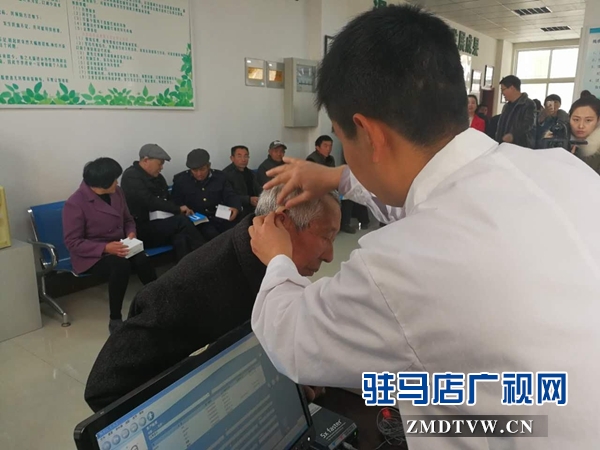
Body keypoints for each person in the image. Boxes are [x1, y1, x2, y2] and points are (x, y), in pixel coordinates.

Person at [248, 5, 600, 449]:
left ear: (368, 133)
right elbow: (433, 211)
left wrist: (278, 257)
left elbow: (292, 338)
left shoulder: (397, 266)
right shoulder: (561, 170)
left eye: (340, 137)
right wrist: (338, 177)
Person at [84, 186, 341, 412]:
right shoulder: (191, 289)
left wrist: (290, 373)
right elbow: (104, 390)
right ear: (282, 222)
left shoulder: (271, 269)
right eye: (326, 237)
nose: (330, 255)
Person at [63, 158, 157, 333]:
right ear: (102, 183)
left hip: (120, 246)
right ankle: (115, 318)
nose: (117, 183)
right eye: (114, 180)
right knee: (120, 266)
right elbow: (73, 243)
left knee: (141, 259)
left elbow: (128, 219)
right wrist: (105, 248)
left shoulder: (117, 192)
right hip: (91, 255)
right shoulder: (75, 204)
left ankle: (159, 298)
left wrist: (131, 234)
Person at [121, 144, 204, 262]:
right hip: (142, 227)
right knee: (181, 221)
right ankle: (208, 257)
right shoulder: (131, 176)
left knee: (181, 238)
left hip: (161, 223)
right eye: (160, 164)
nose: (161, 167)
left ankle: (186, 270)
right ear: (146, 160)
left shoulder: (158, 177)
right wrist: (177, 209)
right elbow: (149, 201)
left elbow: (168, 198)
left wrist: (179, 209)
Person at [172, 149, 242, 242]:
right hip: (197, 220)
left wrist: (235, 207)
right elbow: (176, 201)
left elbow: (230, 195)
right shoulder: (181, 180)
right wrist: (183, 210)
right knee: (211, 235)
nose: (199, 174)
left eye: (202, 169)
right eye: (194, 170)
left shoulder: (220, 177)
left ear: (209, 166)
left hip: (219, 215)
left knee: (239, 229)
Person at [307, 135, 366, 234]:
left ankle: (345, 224)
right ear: (317, 147)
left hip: (330, 187)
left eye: (330, 146)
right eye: (325, 146)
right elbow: (315, 180)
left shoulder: (330, 159)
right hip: (319, 189)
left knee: (348, 195)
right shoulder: (312, 160)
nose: (328, 149)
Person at [223, 145, 263, 219]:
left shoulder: (251, 173)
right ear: (232, 158)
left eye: (246, 156)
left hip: (255, 206)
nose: (243, 159)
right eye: (239, 156)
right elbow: (228, 197)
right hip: (239, 210)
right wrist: (248, 200)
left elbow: (258, 188)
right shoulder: (225, 175)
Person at [496, 75, 536, 148]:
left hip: (520, 148)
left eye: (503, 89)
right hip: (504, 147)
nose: (502, 93)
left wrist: (513, 136)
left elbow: (528, 125)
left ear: (512, 88)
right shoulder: (506, 106)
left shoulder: (528, 104)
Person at [570, 96, 600, 175]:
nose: (581, 126)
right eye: (576, 119)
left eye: (588, 120)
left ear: (598, 120)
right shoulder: (555, 141)